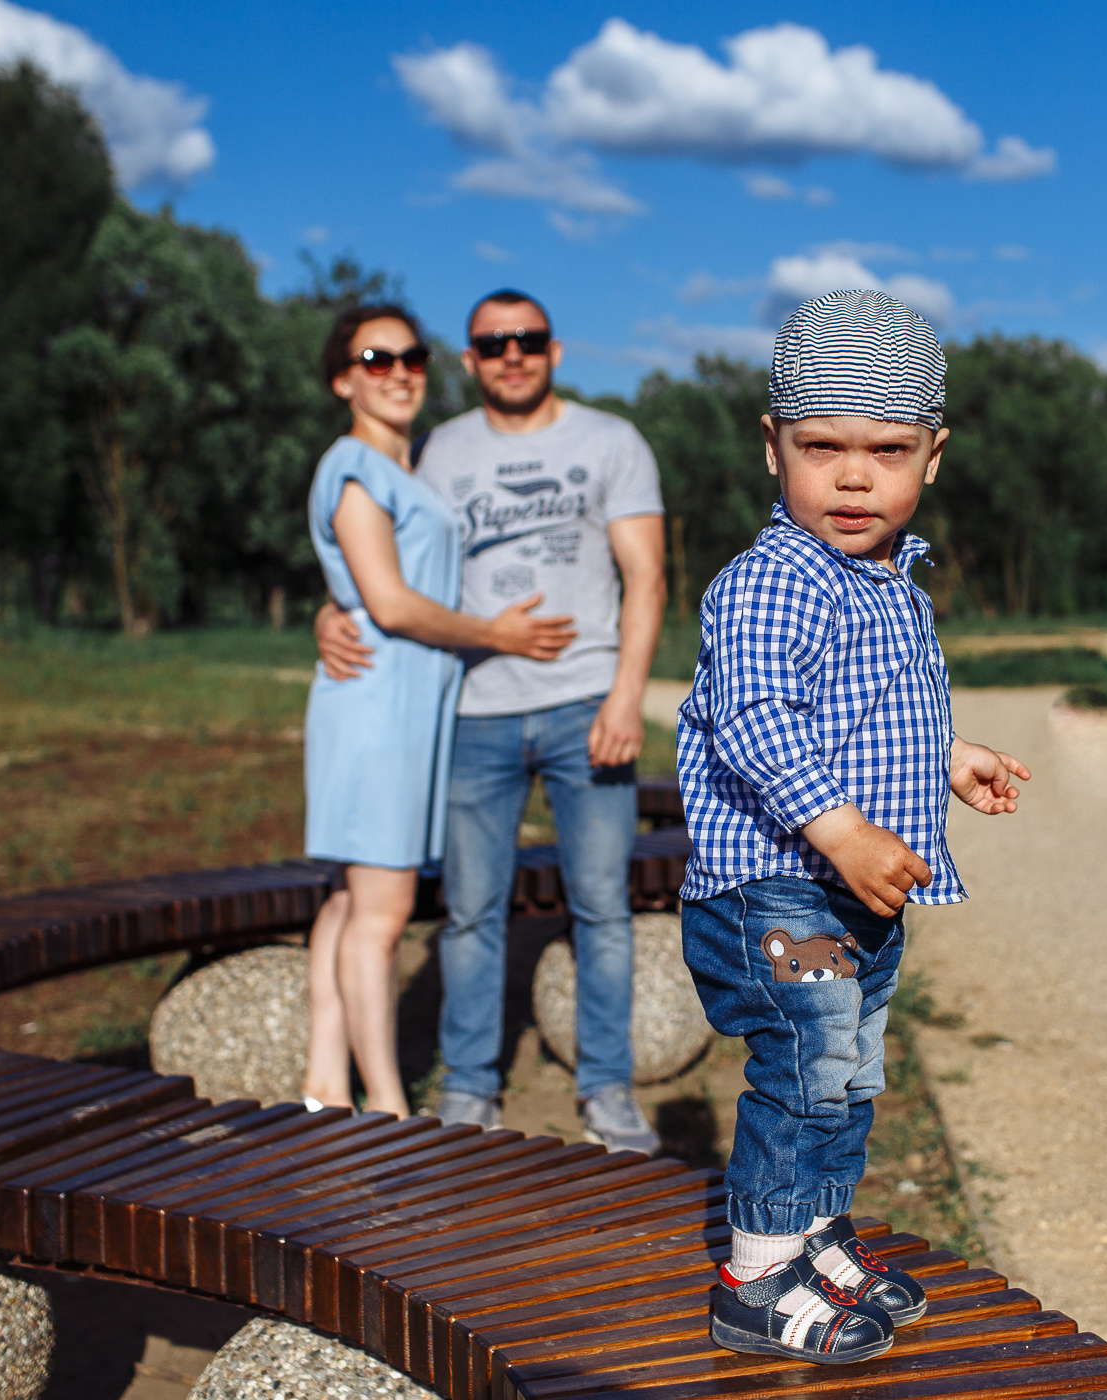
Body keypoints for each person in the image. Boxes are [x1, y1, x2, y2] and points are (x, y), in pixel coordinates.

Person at [675, 290, 1033, 1363]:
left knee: (848, 1067)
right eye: (820, 445)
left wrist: (949, 756)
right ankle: (753, 1277)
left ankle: (811, 1232)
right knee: (807, 1061)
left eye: (886, 447)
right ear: (772, 445)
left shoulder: (889, 581)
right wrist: (837, 828)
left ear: (934, 455)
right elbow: (757, 718)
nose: (852, 474)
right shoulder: (772, 581)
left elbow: (873, 712)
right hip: (778, 887)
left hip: (846, 889)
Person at [316, 288, 667, 1151]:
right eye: (492, 343)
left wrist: (627, 695)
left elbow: (648, 577)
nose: (513, 354)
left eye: (529, 339)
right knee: (470, 911)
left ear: (553, 350)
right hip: (471, 712)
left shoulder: (610, 441)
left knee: (602, 908)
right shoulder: (431, 451)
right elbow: (372, 560)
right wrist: (329, 614)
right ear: (470, 361)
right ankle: (471, 1088)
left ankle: (607, 1092)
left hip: (586, 704)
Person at [300, 303, 575, 1117]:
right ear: (343, 378)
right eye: (376, 359)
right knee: (382, 916)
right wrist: (497, 634)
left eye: (410, 357)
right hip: (376, 715)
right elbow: (386, 602)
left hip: (401, 711)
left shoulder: (404, 468)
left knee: (350, 902)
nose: (398, 373)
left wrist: (330, 609)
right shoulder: (352, 465)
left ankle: (322, 1081)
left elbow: (353, 585)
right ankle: (385, 1103)